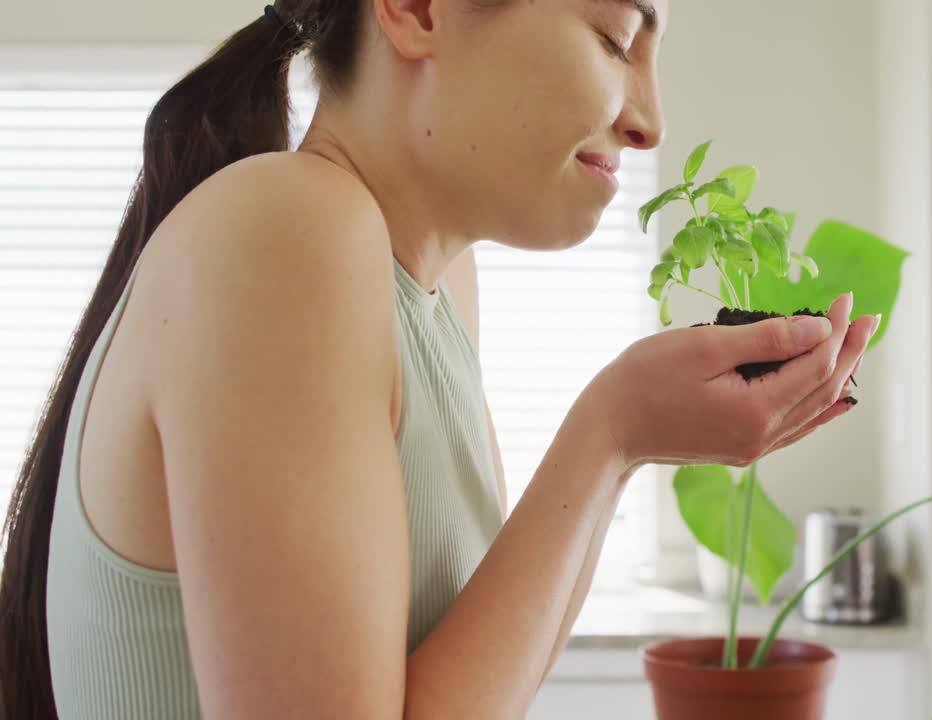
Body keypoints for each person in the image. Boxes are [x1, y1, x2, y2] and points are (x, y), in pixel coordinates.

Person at [0, 0, 878, 717]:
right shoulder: (287, 229)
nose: (649, 122)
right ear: (418, 10)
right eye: (615, 39)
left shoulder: (437, 282)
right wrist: (610, 431)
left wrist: (627, 445)